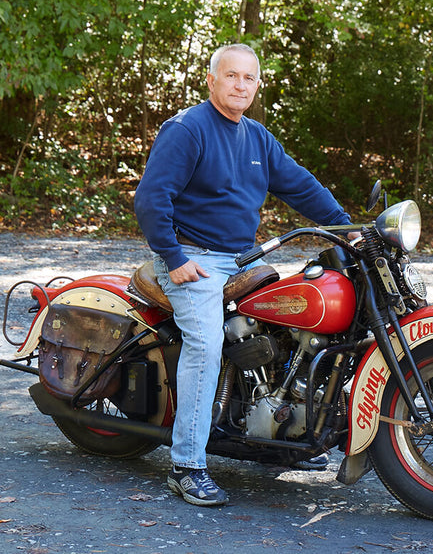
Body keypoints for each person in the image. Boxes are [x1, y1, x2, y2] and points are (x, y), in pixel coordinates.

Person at [134, 43, 353, 507]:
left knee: (296, 318)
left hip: (242, 258)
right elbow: (151, 198)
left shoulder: (257, 137)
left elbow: (300, 185)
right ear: (211, 79)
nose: (240, 85)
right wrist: (173, 256)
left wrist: (345, 227)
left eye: (248, 78)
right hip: (192, 258)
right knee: (205, 344)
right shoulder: (187, 129)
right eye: (231, 75)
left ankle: (279, 434)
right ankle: (186, 465)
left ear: (257, 85)